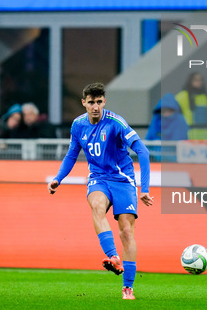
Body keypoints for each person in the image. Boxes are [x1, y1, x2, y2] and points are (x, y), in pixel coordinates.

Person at [47, 83, 153, 300]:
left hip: (123, 180)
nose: (95, 106)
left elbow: (142, 150)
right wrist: (58, 178)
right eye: (91, 102)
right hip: (98, 178)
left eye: (99, 102)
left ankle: (128, 287)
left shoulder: (116, 123)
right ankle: (113, 256)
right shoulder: (78, 125)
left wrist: (145, 188)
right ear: (83, 102)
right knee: (97, 206)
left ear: (104, 102)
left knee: (126, 231)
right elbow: (71, 155)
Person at [175, 72, 207, 140]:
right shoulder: (182, 97)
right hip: (188, 135)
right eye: (196, 80)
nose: (199, 82)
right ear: (190, 81)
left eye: (200, 80)